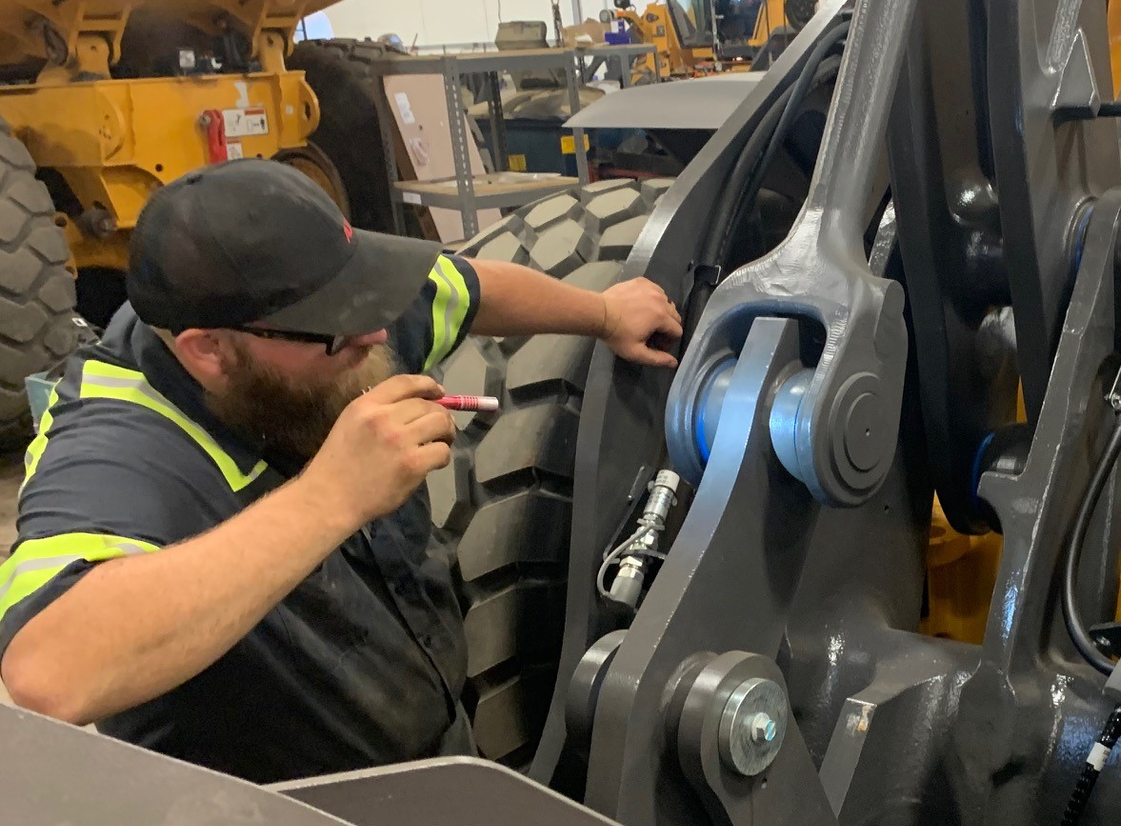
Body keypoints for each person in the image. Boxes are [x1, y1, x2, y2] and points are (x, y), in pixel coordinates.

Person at [0, 160, 682, 783]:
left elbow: (468, 288)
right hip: (286, 824)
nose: (376, 337)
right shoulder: (122, 441)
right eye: (337, 329)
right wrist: (331, 498)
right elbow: (48, 671)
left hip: (436, 755)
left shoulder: (337, 324)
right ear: (209, 351)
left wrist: (603, 312)